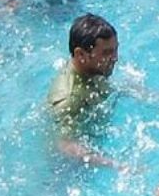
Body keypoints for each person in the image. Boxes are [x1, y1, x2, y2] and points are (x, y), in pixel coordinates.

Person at [48, 14, 125, 167]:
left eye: (116, 50)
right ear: (81, 54)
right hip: (69, 169)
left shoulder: (93, 68)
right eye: (107, 53)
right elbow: (63, 144)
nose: (115, 58)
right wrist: (115, 164)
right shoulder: (69, 99)